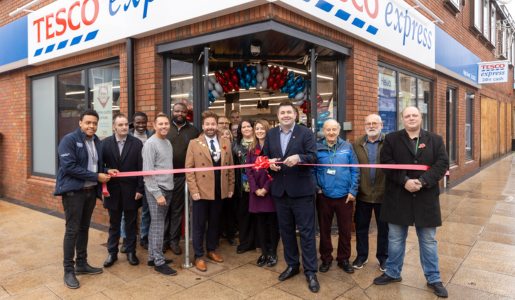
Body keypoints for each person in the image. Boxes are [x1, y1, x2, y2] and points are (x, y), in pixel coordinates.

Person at [374, 106, 449, 298]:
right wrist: (405, 180)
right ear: (402, 119)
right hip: (398, 197)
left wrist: (422, 182)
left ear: (420, 117)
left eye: (414, 115)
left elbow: (442, 164)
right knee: (396, 239)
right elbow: (387, 164)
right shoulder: (391, 139)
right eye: (407, 116)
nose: (411, 118)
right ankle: (392, 272)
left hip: (426, 198)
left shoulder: (435, 139)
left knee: (428, 241)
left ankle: (433, 278)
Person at [261, 101, 320, 293]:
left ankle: (311, 271)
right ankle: (293, 265)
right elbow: (264, 158)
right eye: (282, 112)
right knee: (286, 232)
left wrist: (299, 157)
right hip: (280, 191)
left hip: (302, 192)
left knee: (306, 233)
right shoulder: (270, 134)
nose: (285, 115)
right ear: (277, 116)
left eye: (289, 112)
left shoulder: (306, 133)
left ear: (295, 115)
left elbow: (314, 157)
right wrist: (269, 164)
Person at [54, 109, 111, 289]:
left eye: (94, 123)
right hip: (73, 192)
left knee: (84, 228)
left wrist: (105, 171)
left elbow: (96, 164)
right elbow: (69, 167)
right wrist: (96, 176)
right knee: (72, 230)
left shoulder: (96, 141)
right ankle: (68, 271)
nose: (91, 126)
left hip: (89, 192)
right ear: (80, 123)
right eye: (88, 122)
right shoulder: (69, 140)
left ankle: (82, 264)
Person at [185, 111, 235, 272]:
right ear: (203, 126)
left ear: (217, 125)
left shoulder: (225, 142)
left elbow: (231, 168)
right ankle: (198, 256)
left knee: (214, 223)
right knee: (199, 225)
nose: (210, 127)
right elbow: (189, 169)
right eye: (207, 124)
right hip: (201, 191)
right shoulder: (194, 143)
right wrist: (194, 190)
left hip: (220, 190)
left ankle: (211, 250)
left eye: (213, 124)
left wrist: (230, 187)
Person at [313, 119, 360, 274]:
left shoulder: (347, 147)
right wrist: (317, 188)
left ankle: (343, 259)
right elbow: (311, 170)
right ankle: (326, 259)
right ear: (323, 131)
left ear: (339, 131)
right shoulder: (317, 147)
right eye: (328, 129)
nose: (331, 132)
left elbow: (355, 170)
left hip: (344, 196)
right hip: (324, 195)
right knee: (324, 229)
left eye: (334, 129)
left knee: (345, 230)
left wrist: (353, 191)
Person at [102, 114, 144, 267]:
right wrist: (107, 170)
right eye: (120, 125)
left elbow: (141, 168)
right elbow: (100, 167)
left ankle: (131, 252)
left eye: (126, 124)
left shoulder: (137, 143)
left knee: (131, 224)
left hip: (131, 190)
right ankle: (112, 253)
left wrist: (140, 188)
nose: (124, 127)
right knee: (114, 224)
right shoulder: (104, 144)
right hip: (112, 191)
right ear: (114, 127)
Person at [352, 114, 389, 271]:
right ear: (365, 125)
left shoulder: (389, 143)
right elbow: (353, 168)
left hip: (384, 194)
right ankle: (361, 256)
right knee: (361, 227)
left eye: (375, 123)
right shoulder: (357, 144)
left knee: (384, 229)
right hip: (363, 194)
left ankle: (383, 258)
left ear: (381, 124)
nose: (372, 126)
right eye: (369, 123)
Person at [163, 103, 200, 255]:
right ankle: (163, 242)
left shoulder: (193, 130)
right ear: (172, 111)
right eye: (177, 111)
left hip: (181, 178)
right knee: (164, 211)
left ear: (187, 113)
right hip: (163, 177)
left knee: (177, 211)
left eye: (183, 111)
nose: (179, 113)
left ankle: (174, 242)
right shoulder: (164, 127)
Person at [142, 112, 177, 275]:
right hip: (157, 190)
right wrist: (157, 194)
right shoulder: (150, 144)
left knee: (157, 224)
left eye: (166, 124)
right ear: (154, 126)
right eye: (160, 124)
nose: (164, 126)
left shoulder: (168, 142)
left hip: (168, 187)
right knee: (157, 226)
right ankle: (158, 262)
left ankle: (152, 258)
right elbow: (147, 172)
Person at [245, 119, 280, 267]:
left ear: (267, 130)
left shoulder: (274, 148)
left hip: (270, 191)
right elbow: (248, 170)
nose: (259, 131)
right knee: (260, 223)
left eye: (262, 129)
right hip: (256, 192)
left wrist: (265, 188)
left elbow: (274, 171)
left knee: (272, 223)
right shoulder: (251, 148)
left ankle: (273, 253)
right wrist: (255, 189)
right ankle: (263, 253)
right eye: (257, 129)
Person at [119, 111, 152, 251]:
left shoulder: (152, 135)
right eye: (138, 122)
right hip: (131, 180)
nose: (141, 125)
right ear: (133, 122)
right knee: (125, 212)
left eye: (144, 122)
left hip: (148, 179)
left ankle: (144, 237)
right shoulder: (127, 135)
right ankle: (125, 238)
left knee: (146, 211)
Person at [232, 118, 257, 254]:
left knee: (258, 215)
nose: (246, 129)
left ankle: (258, 242)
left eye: (249, 126)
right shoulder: (234, 145)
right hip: (241, 187)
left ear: (253, 128)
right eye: (243, 127)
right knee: (243, 215)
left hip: (258, 185)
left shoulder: (259, 142)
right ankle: (245, 242)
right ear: (240, 130)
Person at [217, 126, 237, 247]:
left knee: (230, 213)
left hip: (230, 185)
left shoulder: (234, 147)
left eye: (227, 134)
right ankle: (218, 237)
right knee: (218, 214)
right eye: (222, 135)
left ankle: (231, 236)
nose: (225, 136)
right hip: (219, 186)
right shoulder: (217, 149)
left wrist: (231, 186)